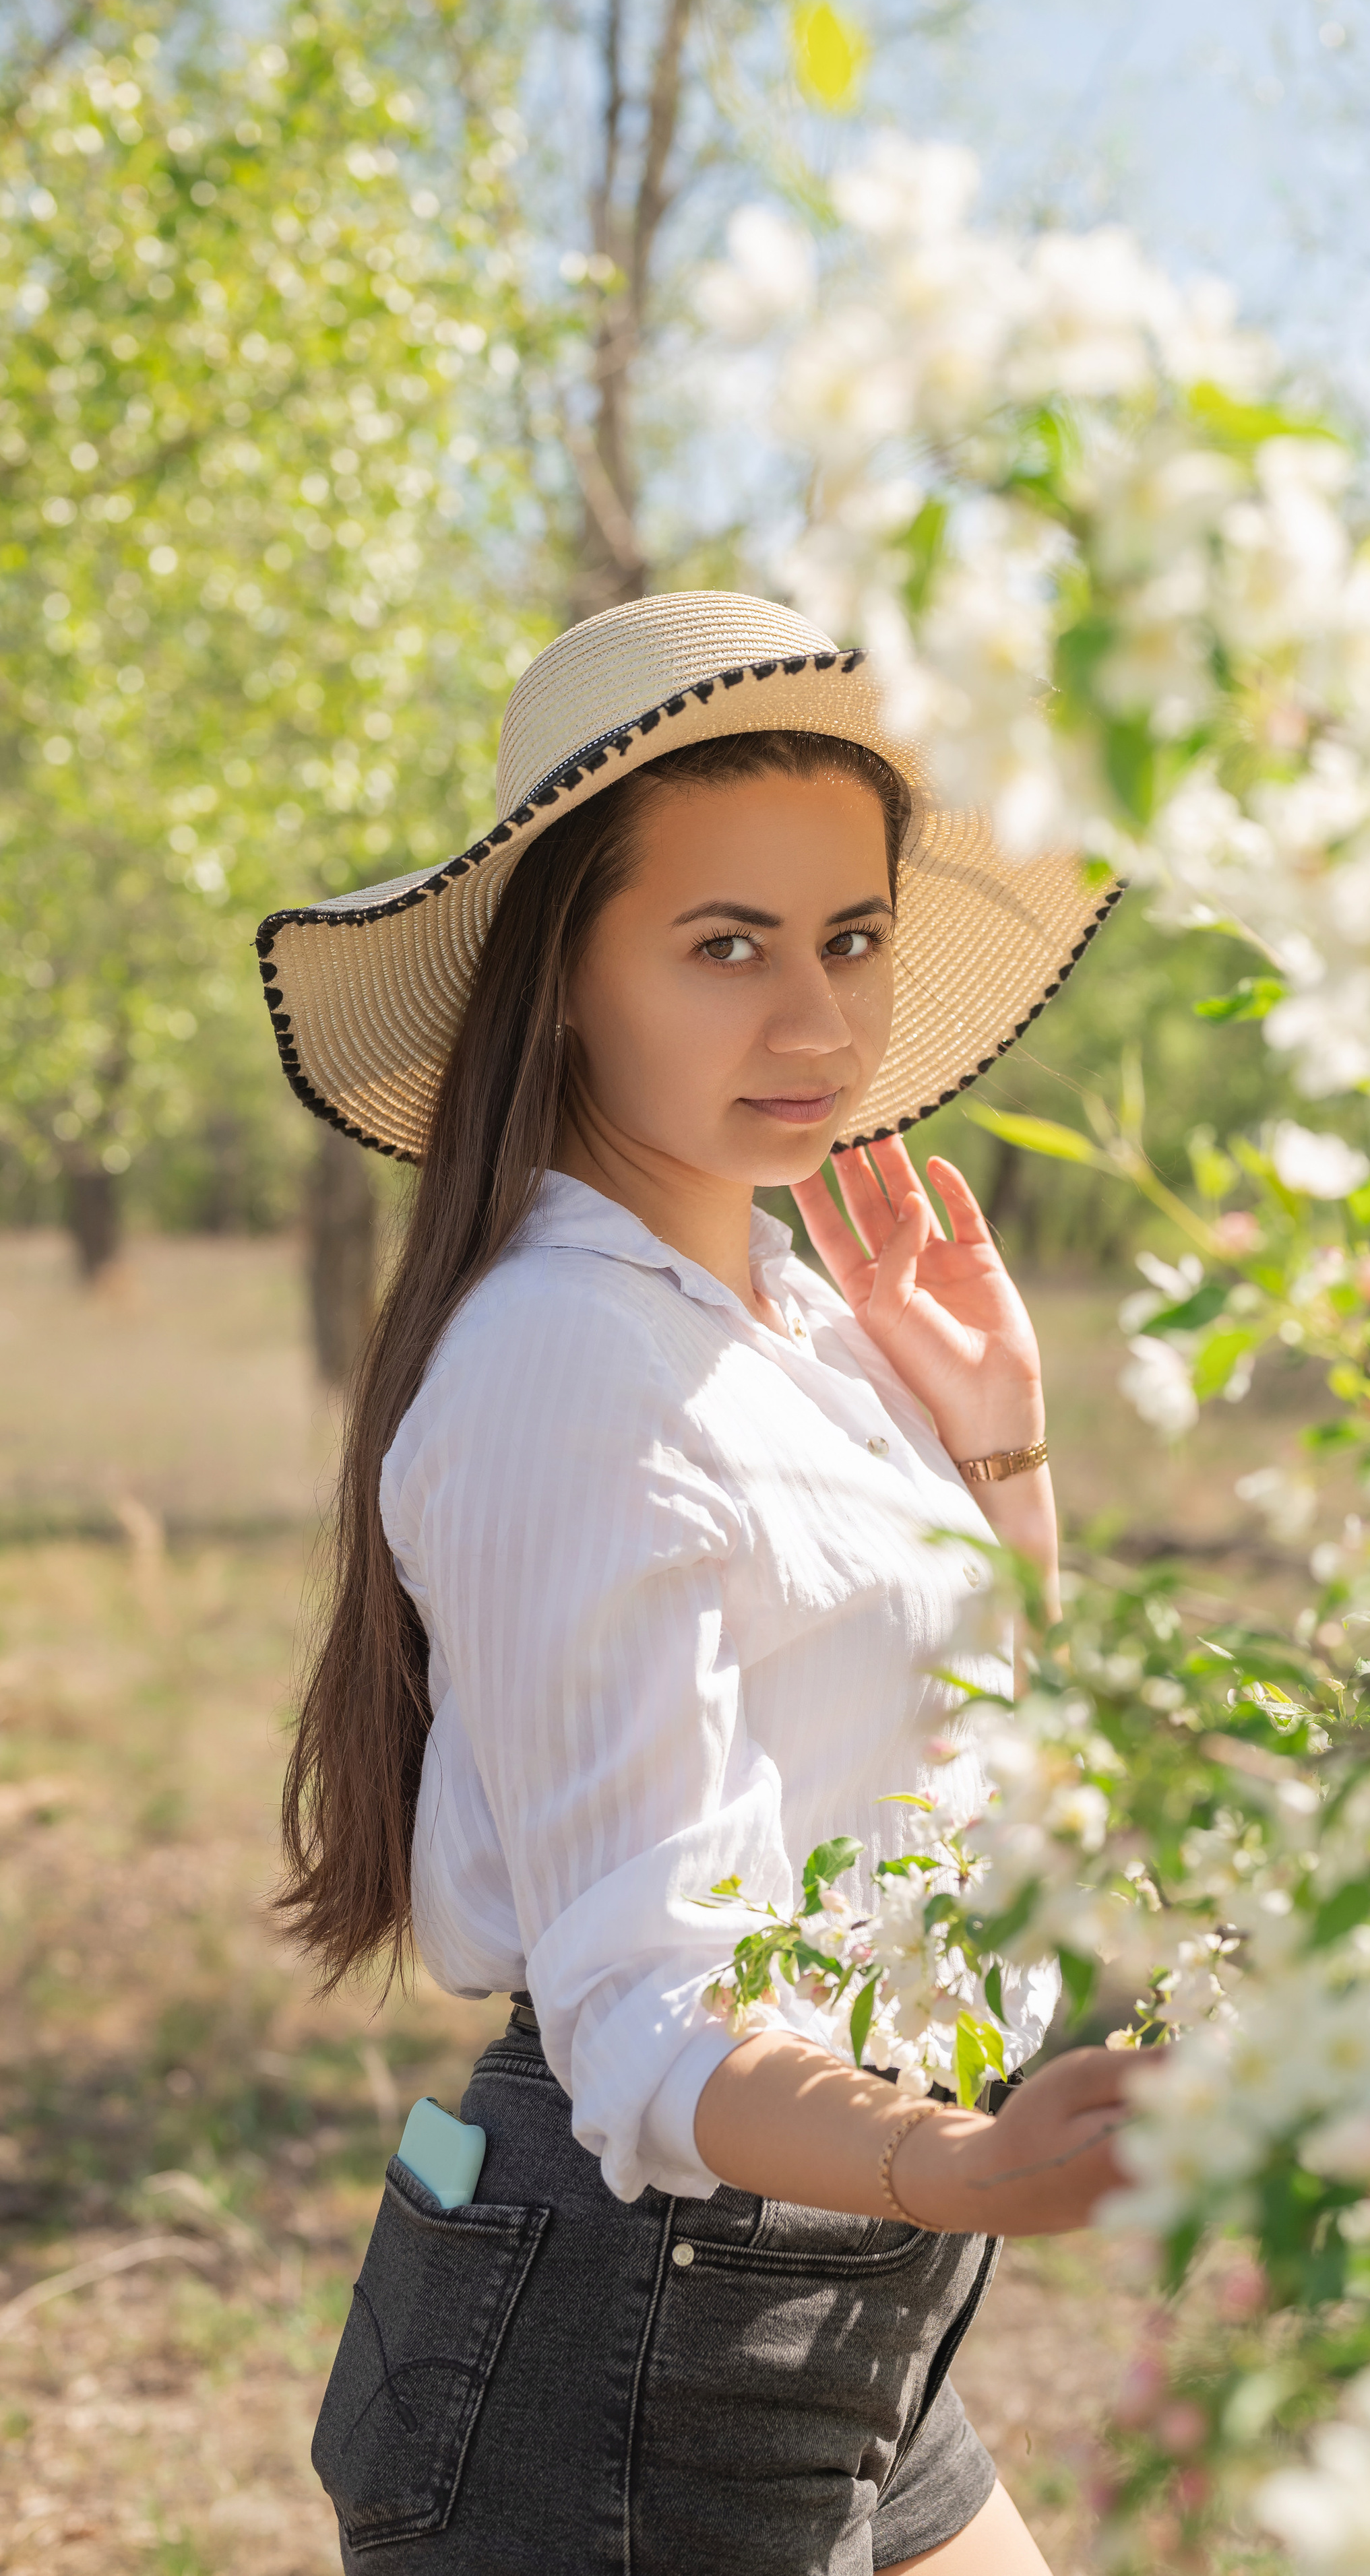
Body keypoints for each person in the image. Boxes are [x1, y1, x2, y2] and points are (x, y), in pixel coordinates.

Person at [257, 593, 1128, 2574]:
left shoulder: (802, 1321)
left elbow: (979, 1767)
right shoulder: (571, 1359)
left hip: (846, 2285)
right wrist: (969, 2160)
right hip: (636, 2349)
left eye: (852, 940)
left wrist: (1000, 1448)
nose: (816, 1024)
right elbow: (648, 2014)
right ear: (565, 975)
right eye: (726, 945)